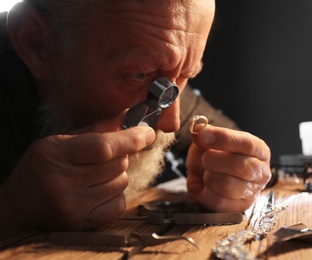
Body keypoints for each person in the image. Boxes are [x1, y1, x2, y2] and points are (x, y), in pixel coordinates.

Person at [0, 0, 271, 240]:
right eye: (139, 74)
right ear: (36, 43)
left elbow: (231, 145)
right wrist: (13, 209)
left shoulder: (163, 78)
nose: (170, 123)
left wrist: (231, 173)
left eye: (188, 73)